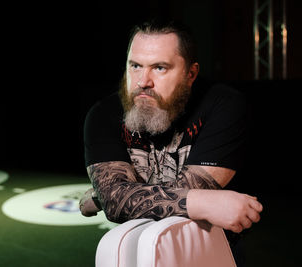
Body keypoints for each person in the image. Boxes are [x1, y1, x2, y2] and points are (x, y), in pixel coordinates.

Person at [80, 18, 263, 263]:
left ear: (191, 74)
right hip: (138, 244)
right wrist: (108, 197)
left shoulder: (223, 105)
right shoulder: (104, 114)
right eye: (135, 66)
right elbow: (116, 200)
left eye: (160, 68)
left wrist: (108, 196)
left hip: (207, 243)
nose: (143, 81)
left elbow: (126, 198)